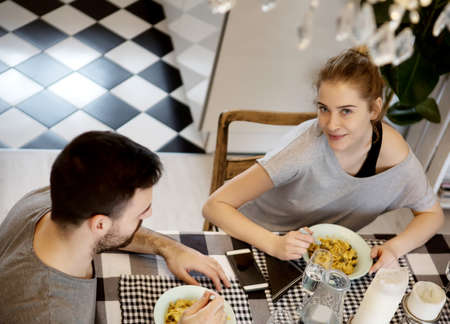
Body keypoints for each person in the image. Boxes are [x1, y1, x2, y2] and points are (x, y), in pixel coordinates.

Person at [203, 47, 444, 274]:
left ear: (374, 110)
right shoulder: (303, 149)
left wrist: (394, 247)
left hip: (317, 258)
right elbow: (214, 206)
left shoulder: (395, 158)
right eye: (323, 108)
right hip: (256, 239)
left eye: (346, 111)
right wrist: (274, 244)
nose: (331, 124)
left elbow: (432, 214)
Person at [0, 131, 230, 324]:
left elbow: (111, 229)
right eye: (141, 212)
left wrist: (169, 248)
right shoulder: (50, 313)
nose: (148, 214)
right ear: (100, 224)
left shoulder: (53, 200)